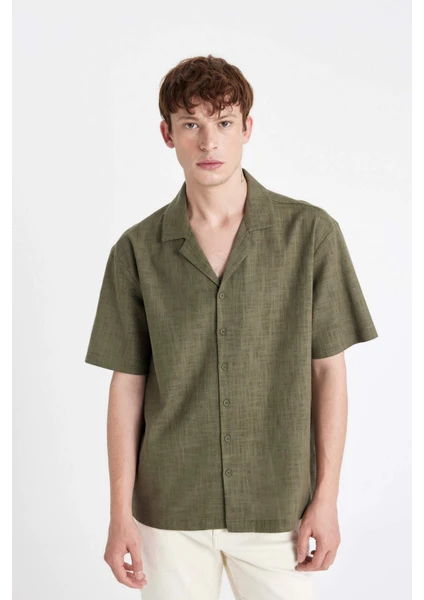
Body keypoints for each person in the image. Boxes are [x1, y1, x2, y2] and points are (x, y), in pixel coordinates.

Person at [84, 55, 379, 600]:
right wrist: (119, 513)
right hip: (170, 508)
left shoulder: (310, 234)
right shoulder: (137, 250)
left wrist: (326, 499)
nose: (208, 142)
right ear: (167, 135)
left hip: (279, 507)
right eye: (190, 124)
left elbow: (328, 374)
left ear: (247, 128)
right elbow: (126, 386)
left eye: (223, 122)